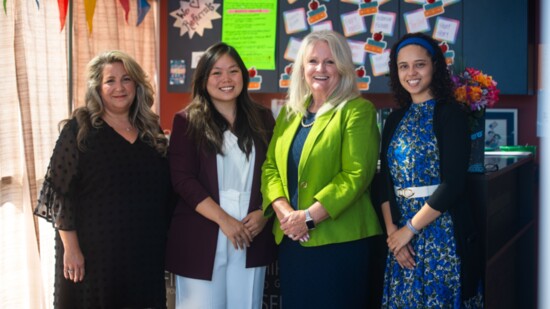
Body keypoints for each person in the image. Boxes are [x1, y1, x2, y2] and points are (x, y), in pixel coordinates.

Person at [34, 50, 172, 308]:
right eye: (110, 81)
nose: (119, 87)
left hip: (144, 253)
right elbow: (59, 193)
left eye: (127, 79)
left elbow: (164, 191)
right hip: (95, 255)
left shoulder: (150, 130)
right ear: (97, 87)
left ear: (137, 85)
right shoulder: (79, 129)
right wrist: (71, 249)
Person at [261, 30, 382, 308]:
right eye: (313, 61)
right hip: (293, 240)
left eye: (330, 62)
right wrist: (287, 214)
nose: (320, 69)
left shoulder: (357, 111)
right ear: (302, 68)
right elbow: (270, 168)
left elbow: (356, 175)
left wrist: (309, 217)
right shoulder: (290, 114)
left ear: (343, 68)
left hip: (339, 244)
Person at [164, 42, 277, 309]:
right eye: (216, 73)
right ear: (203, 80)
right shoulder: (187, 120)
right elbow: (182, 180)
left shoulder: (263, 118)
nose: (226, 79)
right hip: (202, 230)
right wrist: (224, 220)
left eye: (233, 71)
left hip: (252, 230)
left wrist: (265, 213)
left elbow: (275, 171)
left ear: (243, 76)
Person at [379, 32, 483, 307]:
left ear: (434, 66)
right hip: (402, 241)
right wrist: (394, 236)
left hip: (441, 236)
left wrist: (410, 230)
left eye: (419, 64)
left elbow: (453, 184)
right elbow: (385, 182)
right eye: (403, 66)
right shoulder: (394, 119)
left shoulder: (451, 115)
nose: (411, 72)